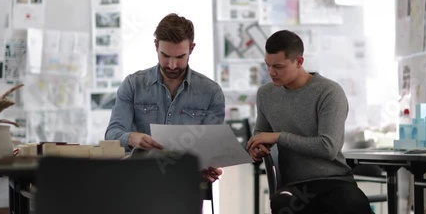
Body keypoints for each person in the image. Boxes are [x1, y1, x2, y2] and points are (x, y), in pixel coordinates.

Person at [247, 30, 372, 214]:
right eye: (268, 66)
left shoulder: (328, 92)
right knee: (282, 204)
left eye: (278, 67)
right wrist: (257, 147)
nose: (271, 73)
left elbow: (328, 147)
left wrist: (279, 137)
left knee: (352, 205)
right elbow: (261, 135)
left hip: (334, 181)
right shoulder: (266, 94)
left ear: (299, 61)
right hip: (296, 186)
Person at [105, 13, 225, 183]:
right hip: (138, 180)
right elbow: (112, 134)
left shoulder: (211, 92)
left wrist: (208, 168)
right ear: (156, 45)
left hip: (184, 182)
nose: (172, 65)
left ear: (191, 48)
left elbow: (211, 149)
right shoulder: (133, 85)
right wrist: (132, 138)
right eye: (166, 56)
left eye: (180, 57)